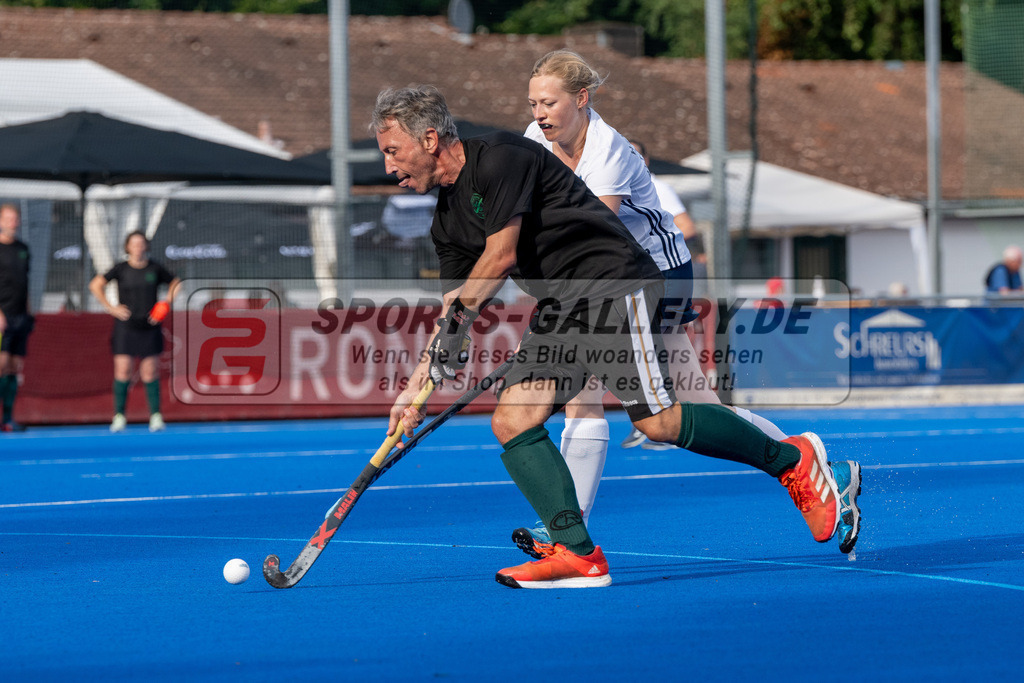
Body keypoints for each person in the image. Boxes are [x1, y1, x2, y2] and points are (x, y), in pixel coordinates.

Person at [372, 84, 861, 588]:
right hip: (562, 307)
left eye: (393, 151)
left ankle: (793, 461)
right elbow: (455, 307)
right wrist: (417, 387)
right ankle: (577, 555)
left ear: (430, 139)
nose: (389, 167)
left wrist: (460, 317)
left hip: (612, 284)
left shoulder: (500, 157)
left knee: (658, 423)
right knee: (513, 418)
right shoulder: (447, 222)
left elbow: (500, 256)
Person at [523, 50, 844, 544]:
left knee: (588, 397)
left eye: (548, 102)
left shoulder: (606, 149)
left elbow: (592, 235)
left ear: (581, 99)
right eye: (532, 103)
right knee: (693, 399)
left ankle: (568, 534)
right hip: (603, 275)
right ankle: (801, 459)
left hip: (657, 274)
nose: (538, 114)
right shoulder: (534, 142)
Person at [89, 231, 180, 432]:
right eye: (134, 244)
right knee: (123, 371)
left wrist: (165, 305)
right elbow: (95, 284)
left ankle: (155, 416)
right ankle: (119, 416)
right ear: (127, 247)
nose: (138, 247)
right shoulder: (121, 269)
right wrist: (110, 307)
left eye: (141, 244)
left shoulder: (154, 268)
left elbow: (176, 283)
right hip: (125, 327)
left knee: (150, 371)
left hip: (150, 327)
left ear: (146, 246)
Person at [0, 203, 33, 432]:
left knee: (14, 366)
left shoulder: (23, 248)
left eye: (16, 219)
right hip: (1, 317)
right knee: (1, 364)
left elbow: (24, 283)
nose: (13, 222)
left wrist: (28, 311)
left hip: (21, 316)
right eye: (9, 218)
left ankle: (8, 418)